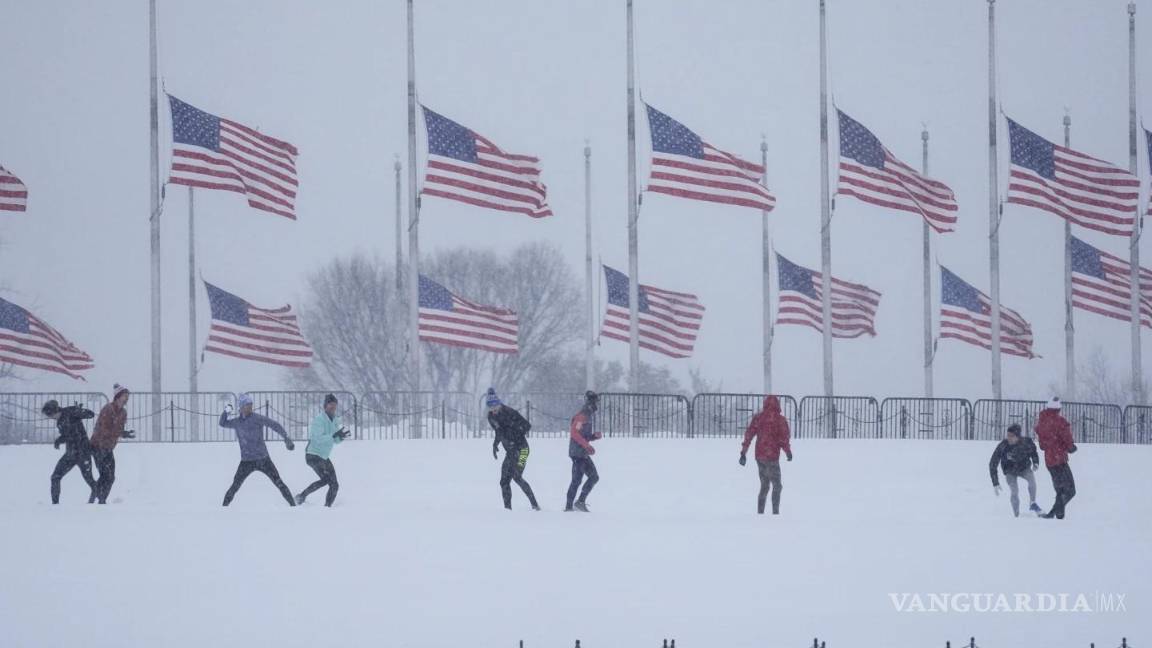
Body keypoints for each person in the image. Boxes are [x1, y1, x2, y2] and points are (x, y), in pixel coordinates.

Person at [219, 393, 296, 507]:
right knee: (235, 486)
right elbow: (223, 423)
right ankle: (223, 509)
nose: (250, 407)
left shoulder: (257, 418)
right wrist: (226, 412)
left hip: (263, 459)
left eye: (251, 405)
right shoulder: (237, 422)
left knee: (279, 482)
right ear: (240, 407)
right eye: (246, 405)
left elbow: (274, 425)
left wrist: (286, 438)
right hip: (246, 461)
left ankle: (294, 506)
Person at [485, 388, 539, 511]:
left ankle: (535, 506)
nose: (493, 409)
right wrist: (495, 443)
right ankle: (507, 510)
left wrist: (514, 433)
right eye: (490, 406)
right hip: (510, 452)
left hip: (523, 450)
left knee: (517, 477)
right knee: (504, 481)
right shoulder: (491, 417)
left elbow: (527, 426)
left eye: (495, 406)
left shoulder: (510, 412)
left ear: (499, 403)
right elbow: (499, 431)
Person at [739, 395, 793, 515]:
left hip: (760, 456)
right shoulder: (780, 420)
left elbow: (749, 435)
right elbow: (783, 438)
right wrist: (788, 451)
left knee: (764, 485)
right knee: (777, 486)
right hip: (772, 456)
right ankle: (775, 513)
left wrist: (743, 452)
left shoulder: (759, 418)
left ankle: (760, 513)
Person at [296, 393, 350, 507]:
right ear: (325, 406)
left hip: (323, 456)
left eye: (335, 406)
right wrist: (334, 434)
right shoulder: (319, 420)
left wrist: (341, 437)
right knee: (329, 481)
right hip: (313, 455)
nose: (333, 408)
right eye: (331, 406)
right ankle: (303, 497)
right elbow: (317, 439)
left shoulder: (335, 420)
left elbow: (334, 440)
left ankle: (325, 507)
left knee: (333, 484)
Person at [42, 399, 98, 504]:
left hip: (83, 453)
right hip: (70, 455)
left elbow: (91, 414)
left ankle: (98, 500)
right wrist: (59, 440)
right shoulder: (59, 422)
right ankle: (55, 505)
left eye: (49, 415)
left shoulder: (71, 412)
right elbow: (67, 435)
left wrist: (81, 411)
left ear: (54, 411)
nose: (50, 418)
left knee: (88, 478)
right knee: (55, 477)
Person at [89, 384, 135, 504]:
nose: (126, 399)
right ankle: (97, 499)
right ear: (118, 397)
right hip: (97, 446)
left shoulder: (123, 413)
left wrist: (125, 433)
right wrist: (121, 433)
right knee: (105, 475)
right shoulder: (107, 409)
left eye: (127, 396)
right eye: (124, 396)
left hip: (108, 447)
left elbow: (118, 429)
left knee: (110, 477)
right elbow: (104, 429)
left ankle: (100, 499)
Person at [1034, 397, 1077, 520]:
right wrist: (1071, 447)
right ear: (1058, 409)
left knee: (1060, 490)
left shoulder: (1041, 423)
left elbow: (1042, 446)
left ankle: (1056, 516)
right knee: (1070, 490)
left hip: (1049, 461)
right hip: (1060, 460)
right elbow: (1067, 440)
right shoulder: (1060, 422)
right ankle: (1055, 513)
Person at [988, 423, 1041, 517]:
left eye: (1011, 436)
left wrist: (1036, 462)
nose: (1009, 438)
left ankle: (1032, 502)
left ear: (1018, 437)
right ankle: (1016, 515)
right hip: (1010, 471)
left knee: (1032, 482)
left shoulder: (1026, 442)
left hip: (1024, 468)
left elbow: (1033, 452)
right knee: (1014, 491)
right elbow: (993, 463)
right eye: (1008, 435)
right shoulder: (1003, 445)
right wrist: (995, 482)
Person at [565, 391, 602, 512]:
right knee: (576, 480)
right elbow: (574, 433)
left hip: (582, 453)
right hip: (577, 453)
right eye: (596, 402)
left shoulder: (588, 415)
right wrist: (586, 445)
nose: (597, 405)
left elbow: (582, 435)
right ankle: (569, 507)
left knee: (594, 477)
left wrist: (593, 437)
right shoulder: (582, 416)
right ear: (591, 402)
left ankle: (580, 502)